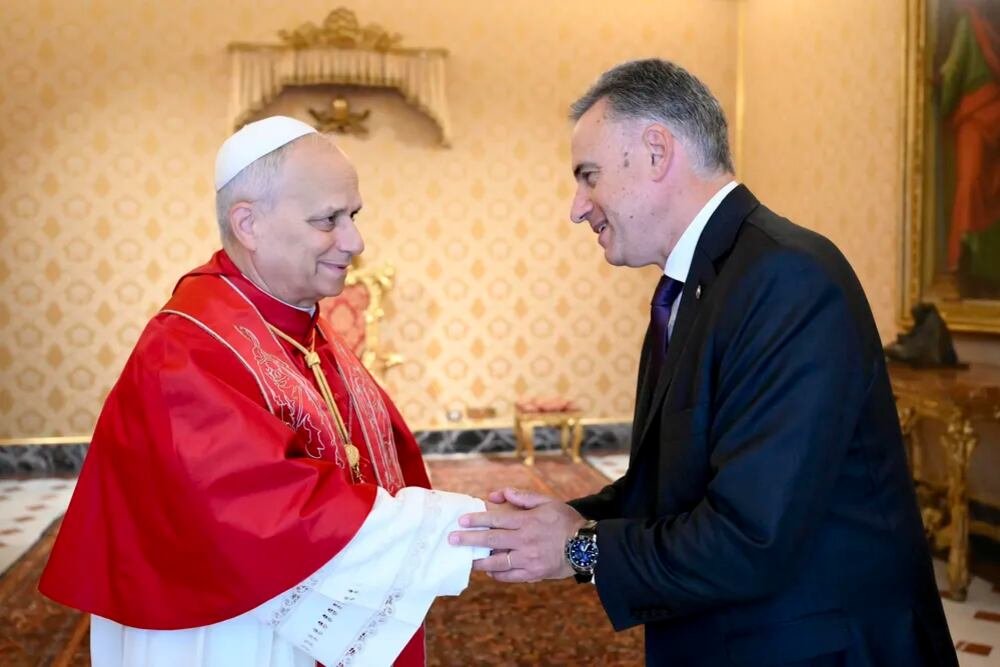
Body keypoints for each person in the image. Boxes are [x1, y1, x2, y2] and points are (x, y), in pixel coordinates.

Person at [451, 59, 959, 666]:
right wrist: (565, 520)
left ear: (656, 152)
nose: (577, 207)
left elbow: (752, 537)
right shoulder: (697, 283)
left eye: (589, 176)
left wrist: (580, 549)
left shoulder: (787, 276)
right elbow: (672, 488)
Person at [40, 116, 494, 667]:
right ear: (248, 224)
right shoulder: (187, 344)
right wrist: (470, 528)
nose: (355, 241)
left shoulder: (299, 326)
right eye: (328, 219)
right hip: (229, 631)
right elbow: (266, 506)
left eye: (353, 215)